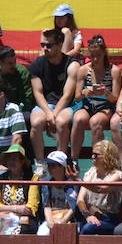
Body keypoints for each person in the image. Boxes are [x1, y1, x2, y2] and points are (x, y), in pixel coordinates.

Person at [69, 35, 120, 166]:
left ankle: (99, 161)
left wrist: (105, 92)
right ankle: (73, 159)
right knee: (79, 119)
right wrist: (86, 92)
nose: (95, 59)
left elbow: (115, 99)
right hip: (87, 105)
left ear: (104, 53)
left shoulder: (114, 70)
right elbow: (77, 96)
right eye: (92, 56)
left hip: (105, 106)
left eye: (98, 55)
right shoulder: (83, 70)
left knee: (95, 122)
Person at [28, 28, 77, 160]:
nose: (45, 48)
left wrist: (53, 116)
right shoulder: (37, 64)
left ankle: (61, 160)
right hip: (45, 105)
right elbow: (38, 93)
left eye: (49, 45)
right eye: (42, 45)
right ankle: (40, 162)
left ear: (60, 45)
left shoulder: (71, 64)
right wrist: (49, 113)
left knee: (61, 122)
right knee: (36, 122)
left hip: (67, 106)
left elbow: (67, 95)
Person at [76, 139, 122, 235]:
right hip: (89, 214)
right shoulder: (91, 172)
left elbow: (101, 188)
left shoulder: (117, 175)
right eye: (92, 154)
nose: (92, 157)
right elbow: (80, 199)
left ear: (107, 156)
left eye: (96, 155)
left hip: (108, 218)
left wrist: (78, 181)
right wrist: (88, 216)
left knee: (88, 228)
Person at [0, 145, 39, 235]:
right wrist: (16, 209)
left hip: (24, 219)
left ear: (22, 161)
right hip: (4, 217)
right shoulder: (0, 178)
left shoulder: (32, 178)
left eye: (14, 159)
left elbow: (30, 207)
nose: (11, 162)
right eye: (9, 159)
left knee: (19, 232)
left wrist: (5, 210)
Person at [0, 45, 34, 114]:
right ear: (0, 63)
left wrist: (11, 112)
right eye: (10, 63)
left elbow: (27, 100)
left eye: (14, 61)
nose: (13, 65)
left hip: (17, 111)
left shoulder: (22, 73)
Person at [34, 150, 76, 235]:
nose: (49, 168)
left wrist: (62, 223)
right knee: (42, 233)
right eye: (48, 165)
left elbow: (72, 208)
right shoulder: (45, 183)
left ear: (62, 167)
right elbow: (47, 206)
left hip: (68, 219)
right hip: (51, 218)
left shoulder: (72, 184)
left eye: (53, 166)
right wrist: (50, 223)